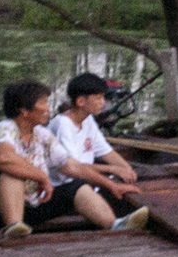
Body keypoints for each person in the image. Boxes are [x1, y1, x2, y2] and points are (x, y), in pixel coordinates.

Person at [0, 80, 133, 237]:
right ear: (24, 111)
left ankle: (115, 225)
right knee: (12, 173)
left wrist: (111, 185)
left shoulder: (42, 135)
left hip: (26, 205)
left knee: (78, 187)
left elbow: (73, 167)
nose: (48, 108)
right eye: (43, 103)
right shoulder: (3, 130)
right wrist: (41, 177)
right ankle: (14, 229)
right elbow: (3, 159)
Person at [47, 72, 147, 213]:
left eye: (103, 97)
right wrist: (112, 169)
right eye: (98, 98)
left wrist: (127, 169)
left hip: (86, 180)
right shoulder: (63, 124)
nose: (103, 102)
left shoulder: (87, 119)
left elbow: (106, 151)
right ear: (81, 101)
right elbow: (75, 168)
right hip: (66, 187)